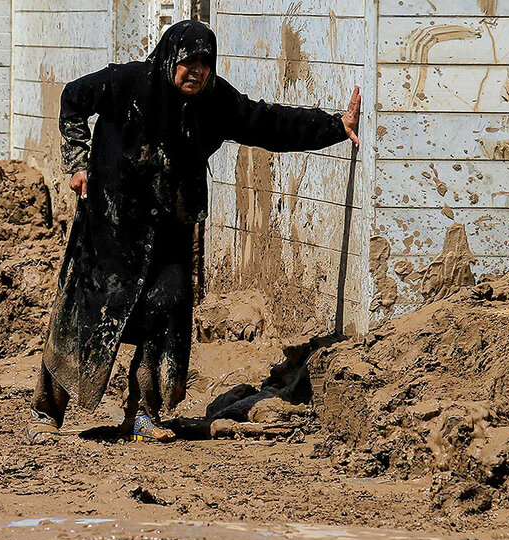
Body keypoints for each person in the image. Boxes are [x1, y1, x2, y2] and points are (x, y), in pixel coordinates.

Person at [27, 20, 361, 444]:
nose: (196, 71)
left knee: (166, 311)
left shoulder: (213, 101)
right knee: (84, 312)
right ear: (170, 59)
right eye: (189, 61)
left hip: (169, 232)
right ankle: (47, 411)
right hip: (109, 227)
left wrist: (335, 126)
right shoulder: (127, 82)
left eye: (205, 63)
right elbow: (73, 98)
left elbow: (266, 122)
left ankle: (143, 416)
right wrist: (77, 162)